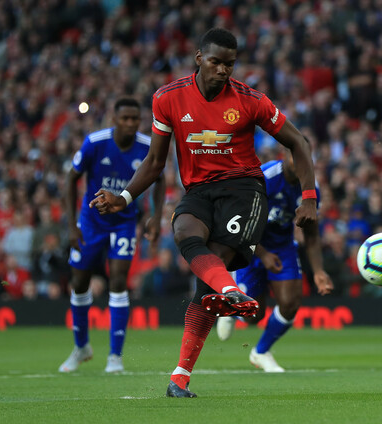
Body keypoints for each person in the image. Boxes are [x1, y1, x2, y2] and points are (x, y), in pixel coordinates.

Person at [90, 28, 317, 397]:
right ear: (199, 58)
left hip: (244, 190)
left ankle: (185, 367)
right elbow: (155, 161)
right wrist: (125, 198)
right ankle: (227, 297)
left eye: (230, 64)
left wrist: (309, 197)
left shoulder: (251, 100)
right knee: (183, 232)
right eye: (216, 62)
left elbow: (299, 142)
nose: (223, 70)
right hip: (198, 191)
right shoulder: (167, 98)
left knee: (210, 276)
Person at [59, 98, 165, 373]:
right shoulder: (95, 143)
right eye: (125, 118)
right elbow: (71, 178)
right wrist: (71, 225)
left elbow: (160, 178)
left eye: (135, 119)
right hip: (91, 222)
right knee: (79, 282)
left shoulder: (146, 146)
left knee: (118, 280)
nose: (130, 123)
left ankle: (115, 357)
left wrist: (155, 216)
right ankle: (81, 347)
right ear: (114, 119)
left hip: (124, 223)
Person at [216, 146, 334, 372]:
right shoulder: (264, 178)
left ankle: (261, 352)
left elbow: (311, 234)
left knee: (291, 303)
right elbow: (240, 224)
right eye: (296, 156)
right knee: (253, 316)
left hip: (282, 247)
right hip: (249, 245)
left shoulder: (311, 189)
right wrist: (262, 254)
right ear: (285, 155)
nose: (301, 162)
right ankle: (232, 307)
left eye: (306, 158)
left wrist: (318, 270)